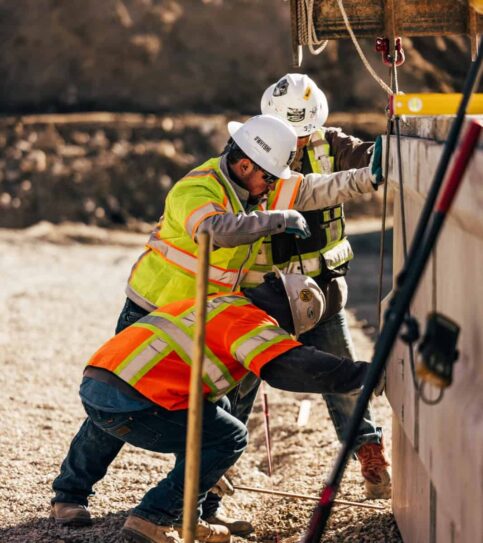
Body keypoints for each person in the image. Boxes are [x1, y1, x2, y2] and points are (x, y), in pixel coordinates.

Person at [51, 113, 382, 534]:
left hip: (202, 318)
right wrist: (273, 220)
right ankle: (71, 493)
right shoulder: (199, 187)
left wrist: (370, 176)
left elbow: (316, 189)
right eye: (267, 179)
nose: (269, 191)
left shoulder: (256, 184)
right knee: (124, 397)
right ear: (245, 166)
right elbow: (214, 231)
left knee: (218, 414)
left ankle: (195, 508)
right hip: (155, 309)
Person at [52, 271, 371, 543]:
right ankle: (156, 516)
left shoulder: (222, 301)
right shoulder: (253, 323)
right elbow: (290, 366)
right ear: (289, 322)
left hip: (98, 380)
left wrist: (204, 468)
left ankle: (68, 497)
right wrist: (361, 375)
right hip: (138, 401)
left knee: (215, 408)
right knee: (229, 436)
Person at [227, 73, 390, 502]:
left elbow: (372, 157)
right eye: (289, 134)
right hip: (265, 295)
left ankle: (369, 454)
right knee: (238, 386)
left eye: (303, 134)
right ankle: (213, 477)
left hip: (323, 292)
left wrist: (394, 144)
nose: (296, 143)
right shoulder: (252, 146)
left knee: (345, 384)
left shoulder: (332, 144)